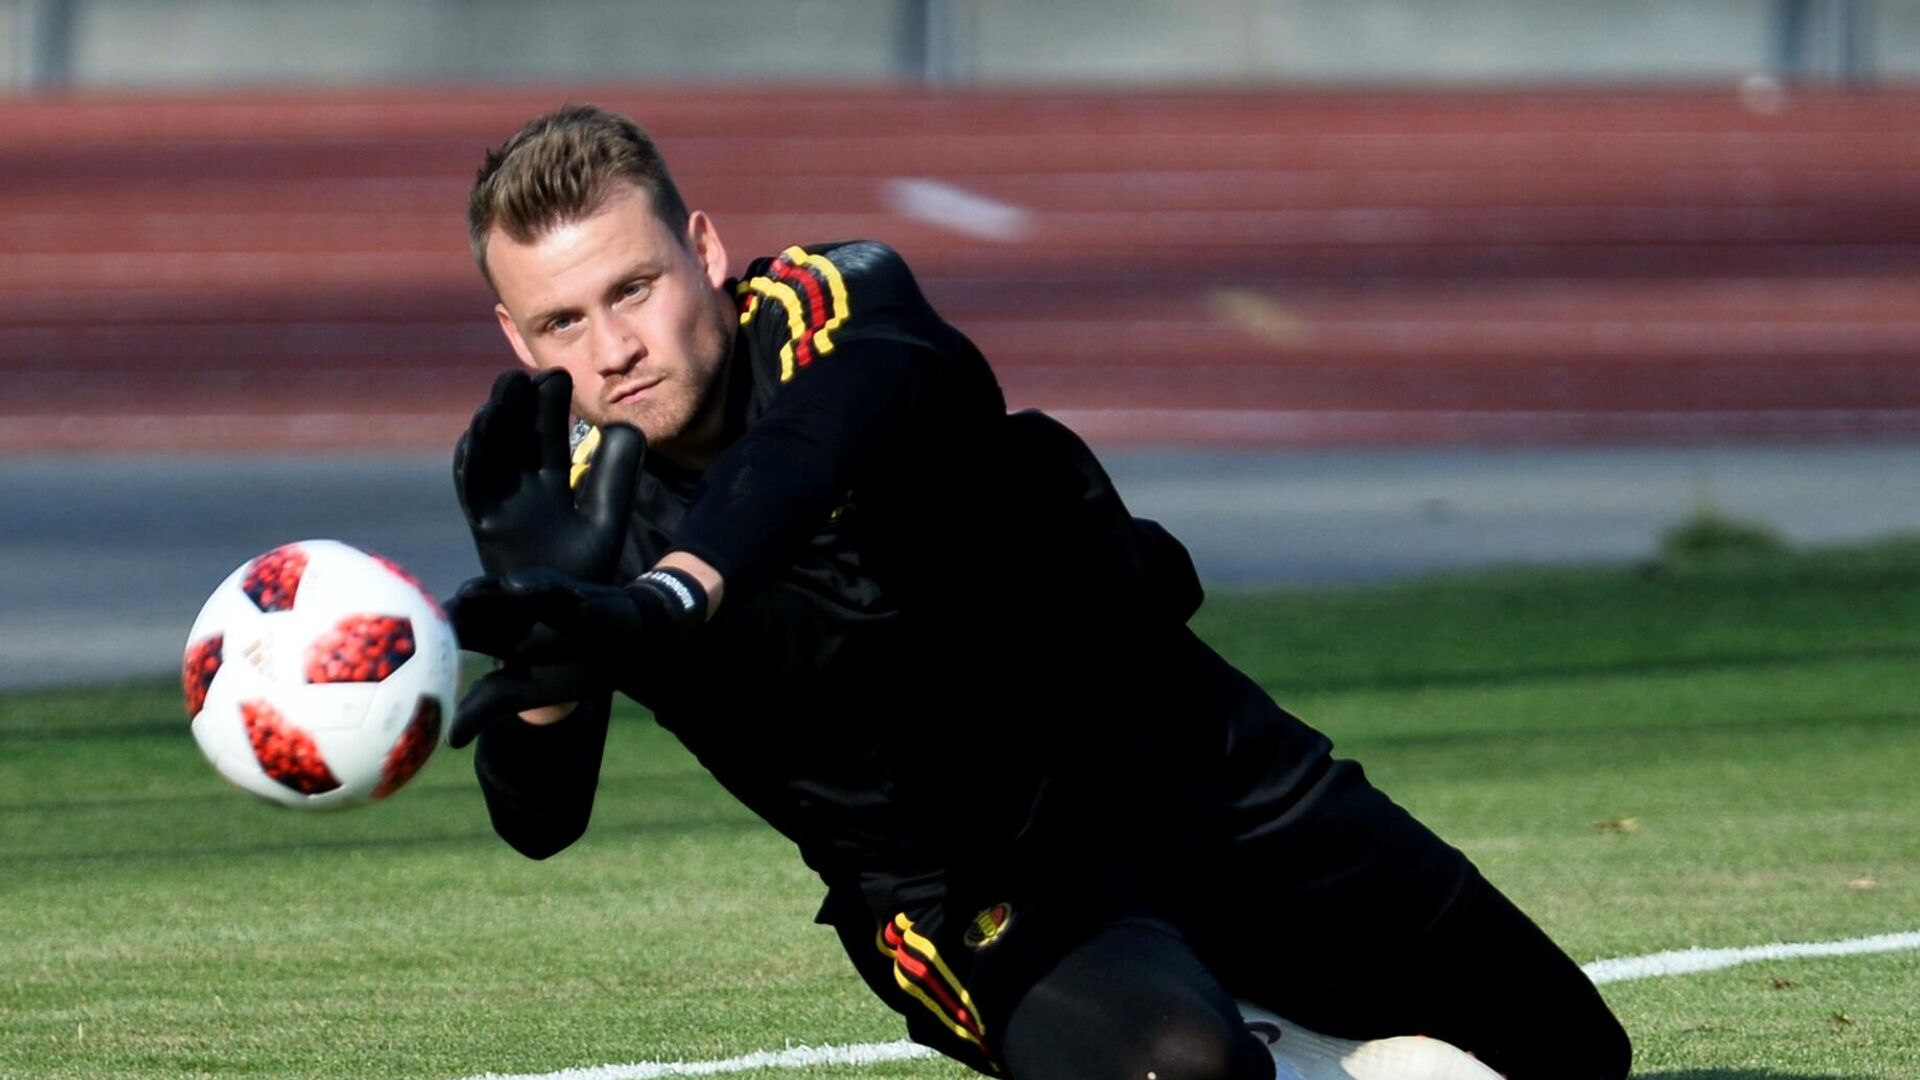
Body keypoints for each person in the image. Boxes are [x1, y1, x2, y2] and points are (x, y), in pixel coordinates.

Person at [445, 103, 1632, 1080]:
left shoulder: (834, 304)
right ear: (515, 338)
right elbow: (537, 820)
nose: (611, 350)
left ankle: (1279, 1035)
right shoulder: (559, 501)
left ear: (704, 252)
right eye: (562, 321)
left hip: (1190, 766)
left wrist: (674, 593)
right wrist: (554, 656)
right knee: (1178, 1070)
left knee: (1572, 1056)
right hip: (975, 894)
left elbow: (811, 448)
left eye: (633, 289)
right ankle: (1280, 1058)